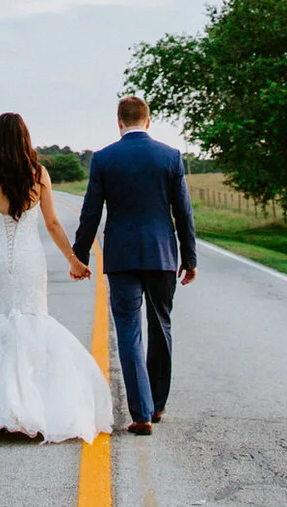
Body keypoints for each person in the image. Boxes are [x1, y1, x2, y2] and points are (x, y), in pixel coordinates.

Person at [0, 112, 112, 444]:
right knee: (32, 320)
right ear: (24, 140)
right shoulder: (38, 174)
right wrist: (73, 260)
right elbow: (53, 223)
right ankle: (32, 406)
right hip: (30, 259)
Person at [70, 94, 196, 435]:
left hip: (122, 257)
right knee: (161, 325)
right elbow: (183, 212)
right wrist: (190, 257)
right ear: (148, 121)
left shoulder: (104, 158)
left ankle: (141, 413)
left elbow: (91, 211)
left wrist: (79, 255)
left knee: (128, 331)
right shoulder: (170, 157)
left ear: (119, 122)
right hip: (161, 255)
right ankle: (158, 405)